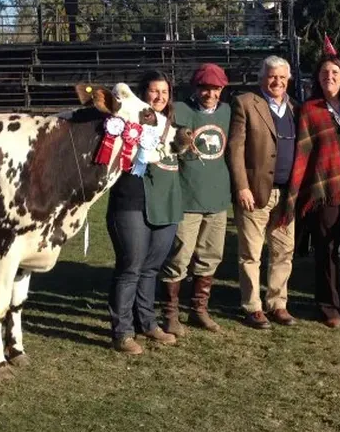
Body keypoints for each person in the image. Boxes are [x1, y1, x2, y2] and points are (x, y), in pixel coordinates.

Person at [282, 55, 340, 328]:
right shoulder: (310, 109)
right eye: (323, 73)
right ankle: (329, 306)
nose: (329, 77)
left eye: (334, 72)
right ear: (317, 78)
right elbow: (303, 152)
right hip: (325, 189)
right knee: (327, 248)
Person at [106, 70, 182, 354]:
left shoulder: (171, 126)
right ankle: (122, 331)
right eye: (154, 91)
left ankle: (147, 322)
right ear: (143, 94)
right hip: (130, 200)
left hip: (163, 204)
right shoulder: (126, 121)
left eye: (164, 92)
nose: (160, 97)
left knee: (151, 267)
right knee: (131, 266)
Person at [160, 63, 232, 334]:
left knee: (210, 255)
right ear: (196, 88)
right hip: (187, 197)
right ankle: (170, 314)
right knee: (179, 256)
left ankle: (199, 310)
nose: (209, 94)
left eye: (215, 89)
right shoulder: (180, 110)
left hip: (217, 196)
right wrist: (179, 141)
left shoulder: (226, 111)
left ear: (222, 90)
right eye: (204, 88)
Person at [227, 55, 298, 329]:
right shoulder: (245, 103)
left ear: (288, 79)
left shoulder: (294, 107)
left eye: (281, 77)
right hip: (254, 193)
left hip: (286, 194)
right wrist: (242, 186)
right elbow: (235, 148)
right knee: (251, 254)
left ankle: (278, 303)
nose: (277, 81)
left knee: (283, 252)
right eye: (271, 76)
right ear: (261, 78)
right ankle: (253, 306)